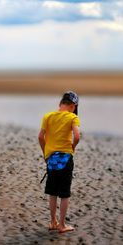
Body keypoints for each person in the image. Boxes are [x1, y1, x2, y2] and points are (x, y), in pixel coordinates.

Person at [38, 91, 80, 233]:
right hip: (66, 158)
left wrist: (46, 154)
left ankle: (52, 222)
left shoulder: (48, 116)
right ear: (73, 106)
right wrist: (72, 147)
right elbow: (77, 136)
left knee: (53, 192)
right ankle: (62, 225)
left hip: (52, 159)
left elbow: (40, 137)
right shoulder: (72, 117)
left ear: (60, 104)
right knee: (65, 193)